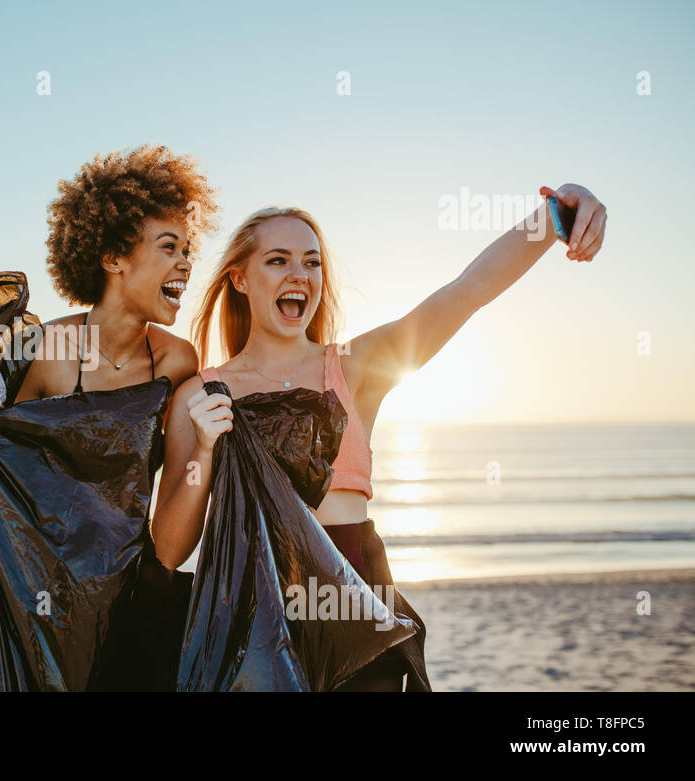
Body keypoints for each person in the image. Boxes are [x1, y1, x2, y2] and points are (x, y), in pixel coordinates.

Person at [153, 185, 607, 690]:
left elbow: (466, 290)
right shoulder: (201, 391)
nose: (299, 275)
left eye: (312, 262)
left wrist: (550, 219)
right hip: (252, 614)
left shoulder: (353, 368)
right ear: (239, 277)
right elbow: (170, 551)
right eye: (278, 261)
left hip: (356, 598)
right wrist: (204, 449)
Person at [0, 144, 219, 690]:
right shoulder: (51, 351)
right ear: (114, 258)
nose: (186, 263)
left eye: (188, 249)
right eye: (170, 248)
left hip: (136, 589)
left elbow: (177, 486)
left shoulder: (176, 360)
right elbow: (12, 471)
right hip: (55, 596)